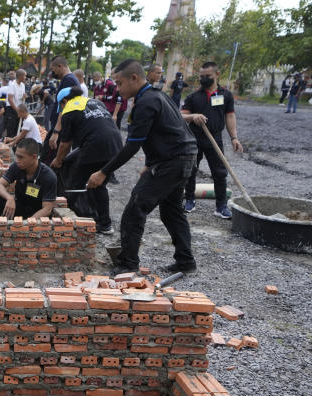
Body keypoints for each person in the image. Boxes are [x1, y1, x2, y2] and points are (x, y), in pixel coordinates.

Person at [87, 59, 198, 276]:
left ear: (134, 78)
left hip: (173, 161)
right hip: (181, 158)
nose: (117, 89)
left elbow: (133, 145)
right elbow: (163, 132)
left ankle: (128, 263)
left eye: (119, 84)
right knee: (171, 211)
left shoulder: (147, 102)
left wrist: (103, 172)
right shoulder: (155, 96)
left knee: (135, 208)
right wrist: (150, 163)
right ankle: (186, 261)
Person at [49, 86, 123, 234]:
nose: (61, 109)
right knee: (98, 185)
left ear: (64, 101)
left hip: (94, 147)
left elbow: (65, 144)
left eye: (61, 106)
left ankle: (70, 221)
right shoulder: (94, 102)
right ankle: (105, 224)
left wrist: (57, 161)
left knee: (73, 183)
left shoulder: (69, 110)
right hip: (115, 145)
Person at [181, 61, 243, 219]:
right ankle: (189, 200)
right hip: (194, 138)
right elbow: (180, 116)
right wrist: (193, 116)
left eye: (207, 76)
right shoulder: (194, 96)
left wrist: (234, 138)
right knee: (191, 170)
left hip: (215, 138)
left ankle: (221, 206)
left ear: (217, 74)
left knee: (220, 172)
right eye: (201, 77)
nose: (203, 79)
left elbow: (230, 116)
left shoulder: (225, 95)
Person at [0, 138, 57, 220]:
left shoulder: (48, 176)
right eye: (16, 156)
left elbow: (47, 209)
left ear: (34, 157)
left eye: (20, 157)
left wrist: (28, 223)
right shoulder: (17, 167)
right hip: (20, 207)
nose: (17, 160)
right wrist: (9, 198)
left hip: (37, 213)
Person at [46, 56, 78, 136]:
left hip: (61, 127)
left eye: (53, 69)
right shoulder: (68, 79)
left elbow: (65, 107)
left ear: (60, 66)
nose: (53, 72)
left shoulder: (69, 80)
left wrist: (56, 131)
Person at [5, 68, 27, 138]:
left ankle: (15, 145)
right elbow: (10, 99)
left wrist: (24, 96)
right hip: (12, 109)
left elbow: (22, 98)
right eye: (24, 76)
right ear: (20, 76)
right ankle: (8, 145)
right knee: (11, 129)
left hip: (19, 109)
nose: (25, 77)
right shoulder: (12, 85)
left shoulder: (23, 85)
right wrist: (16, 110)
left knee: (18, 128)